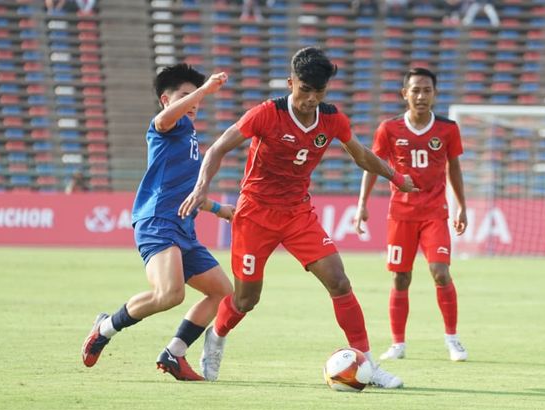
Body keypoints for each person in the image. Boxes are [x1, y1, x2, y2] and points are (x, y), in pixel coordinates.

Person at [178, 47, 417, 388]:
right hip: (255, 214)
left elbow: (362, 155)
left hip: (297, 214)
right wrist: (202, 188)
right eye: (305, 90)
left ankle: (368, 363)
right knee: (246, 299)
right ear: (291, 83)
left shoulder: (333, 119)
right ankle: (216, 336)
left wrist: (396, 178)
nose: (310, 100)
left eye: (318, 93)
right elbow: (216, 149)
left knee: (339, 280)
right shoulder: (265, 114)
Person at [81, 64, 235, 381]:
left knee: (222, 292)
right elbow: (163, 119)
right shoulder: (163, 126)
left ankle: (175, 353)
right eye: (184, 95)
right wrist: (205, 89)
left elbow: (190, 192)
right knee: (169, 294)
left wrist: (218, 209)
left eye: (195, 96)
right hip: (157, 222)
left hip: (184, 228)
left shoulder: (190, 138)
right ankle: (105, 327)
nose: (193, 101)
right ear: (166, 100)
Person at [353, 67, 469, 363]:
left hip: (434, 214)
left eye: (426, 90)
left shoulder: (448, 129)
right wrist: (362, 203)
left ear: (435, 94)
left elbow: (453, 168)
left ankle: (452, 340)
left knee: (440, 273)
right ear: (404, 94)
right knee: (401, 278)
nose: (421, 96)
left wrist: (461, 207)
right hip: (400, 215)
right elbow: (373, 165)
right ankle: (398, 344)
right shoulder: (389, 129)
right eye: (415, 90)